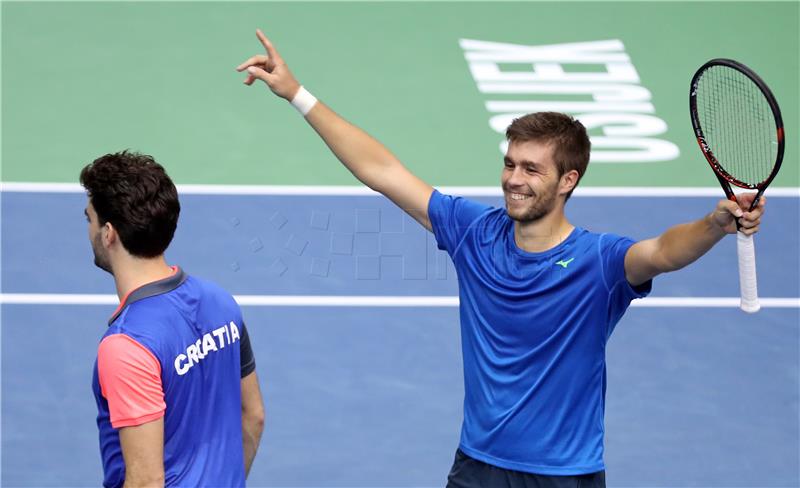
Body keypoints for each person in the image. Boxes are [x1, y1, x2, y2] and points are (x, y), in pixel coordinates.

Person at [236, 30, 765, 487]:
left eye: (532, 169)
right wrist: (297, 95)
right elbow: (383, 171)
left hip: (566, 475)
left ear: (568, 180)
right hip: (479, 467)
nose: (513, 178)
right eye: (510, 163)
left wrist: (715, 224)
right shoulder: (474, 233)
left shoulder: (599, 263)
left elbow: (664, 252)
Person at [81, 151, 265, 488]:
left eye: (89, 218)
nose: (89, 228)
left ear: (108, 233)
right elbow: (253, 417)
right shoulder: (221, 302)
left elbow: (146, 481)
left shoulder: (127, 345)